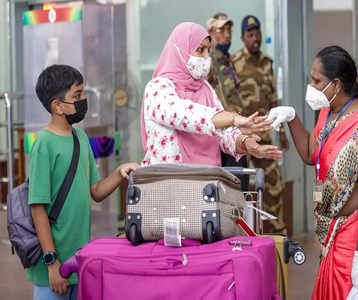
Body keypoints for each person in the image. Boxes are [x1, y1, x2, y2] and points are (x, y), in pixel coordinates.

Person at [267, 46, 358, 300]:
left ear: (336, 84)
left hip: (356, 235)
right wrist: (291, 117)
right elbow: (310, 154)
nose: (311, 86)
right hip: (332, 233)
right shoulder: (328, 112)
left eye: (317, 81)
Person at [28, 65, 140, 300]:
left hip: (78, 262)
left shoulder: (80, 138)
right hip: (52, 268)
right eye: (76, 96)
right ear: (57, 106)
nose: (83, 101)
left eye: (83, 94)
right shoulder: (44, 144)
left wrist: (120, 172)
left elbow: (96, 191)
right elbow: (37, 207)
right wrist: (51, 262)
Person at [141, 22, 283, 168]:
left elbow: (221, 134)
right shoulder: (157, 88)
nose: (206, 57)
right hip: (170, 185)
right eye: (200, 50)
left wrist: (244, 143)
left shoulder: (206, 89)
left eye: (208, 50)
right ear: (180, 50)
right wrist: (233, 118)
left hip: (207, 182)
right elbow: (183, 115)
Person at [232, 15, 289, 233]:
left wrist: (281, 131)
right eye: (250, 34)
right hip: (242, 139)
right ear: (243, 37)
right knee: (240, 189)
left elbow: (273, 100)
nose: (255, 38)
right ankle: (243, 235)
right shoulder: (234, 64)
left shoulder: (267, 63)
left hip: (265, 137)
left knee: (275, 187)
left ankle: (278, 234)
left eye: (257, 33)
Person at [206, 13, 248, 188]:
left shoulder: (227, 60)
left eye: (229, 29)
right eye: (221, 30)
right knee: (231, 188)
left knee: (241, 186)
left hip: (236, 131)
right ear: (211, 33)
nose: (227, 34)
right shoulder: (208, 61)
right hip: (221, 135)